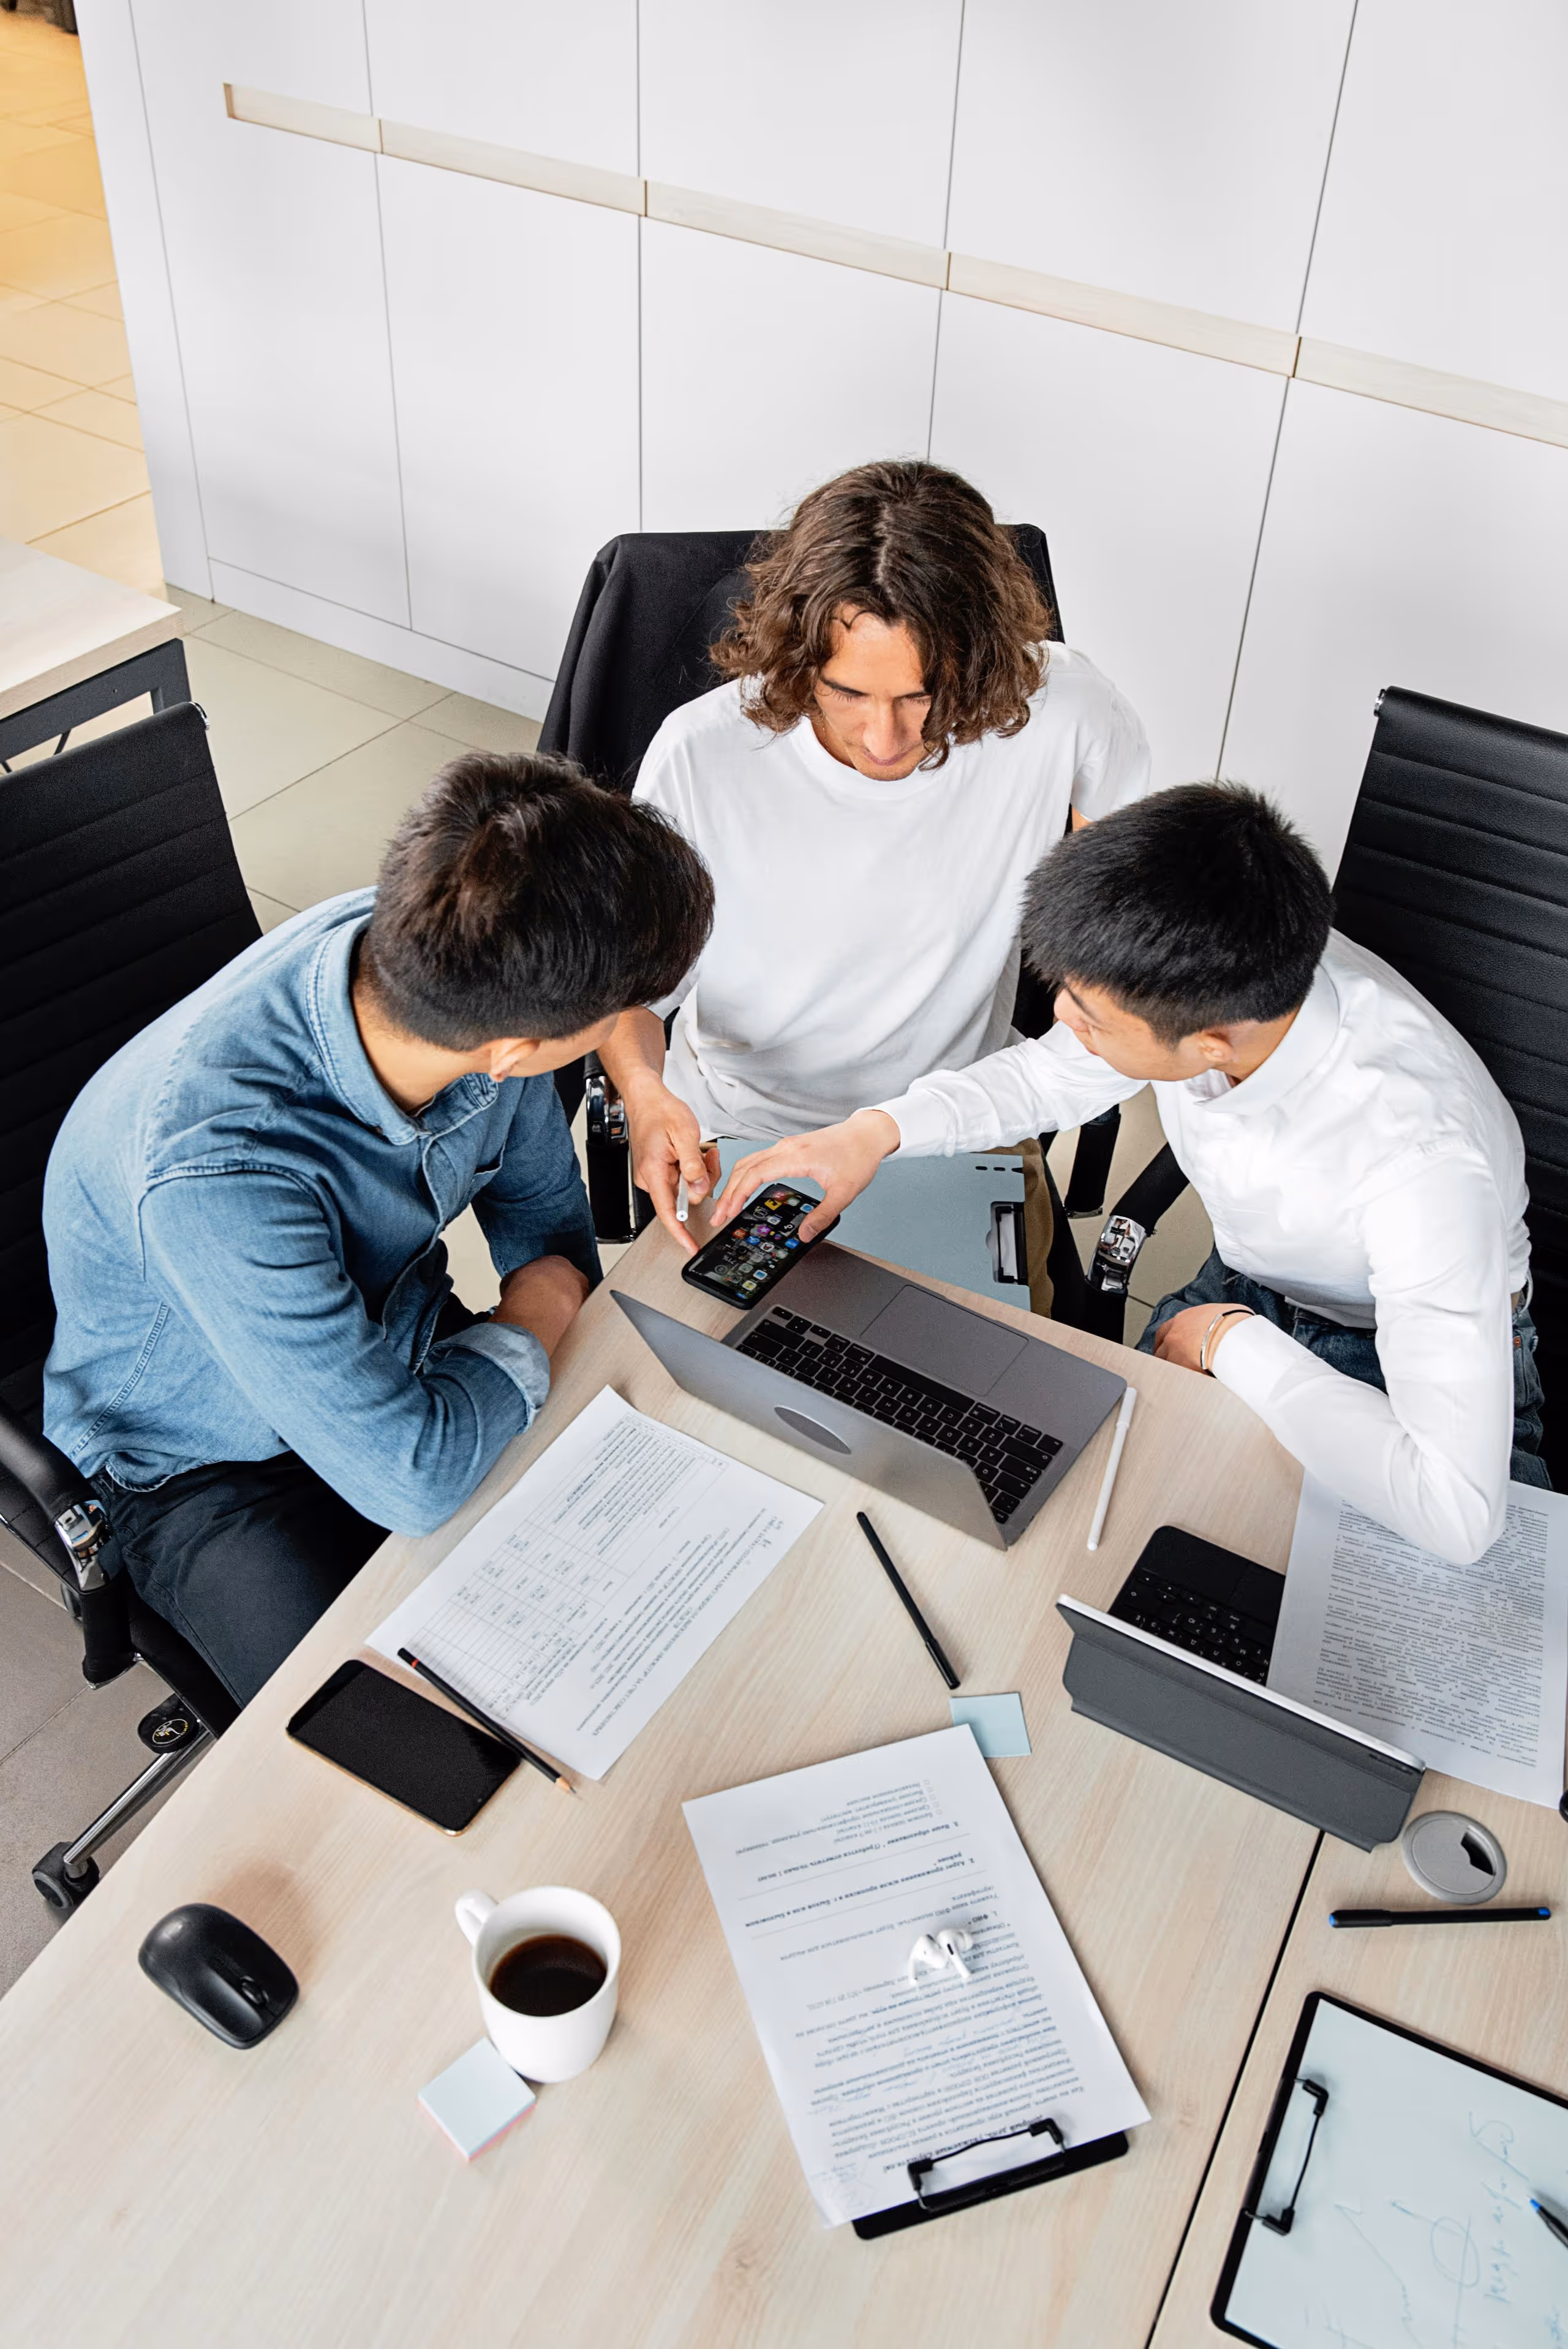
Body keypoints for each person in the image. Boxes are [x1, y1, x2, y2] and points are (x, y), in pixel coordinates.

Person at [712, 784, 1547, 1565]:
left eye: (1089, 1016)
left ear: (1212, 1042)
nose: (1063, 1024)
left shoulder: (1420, 1165)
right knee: (1081, 1526)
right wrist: (874, 1132)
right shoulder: (1222, 963)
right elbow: (1047, 1077)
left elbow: (1458, 1512)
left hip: (1386, 1348)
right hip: (1251, 1280)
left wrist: (1230, 1340)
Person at [43, 751, 714, 1705]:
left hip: (406, 1350)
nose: (623, 1029)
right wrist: (538, 1306)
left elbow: (548, 1233)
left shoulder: (457, 975)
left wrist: (542, 1295)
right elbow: (415, 1475)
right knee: (413, 1735)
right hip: (203, 1467)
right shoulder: (217, 1174)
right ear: (519, 1048)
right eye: (613, 1018)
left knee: (645, 1591)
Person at [594, 458, 1150, 1247]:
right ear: (794, 655)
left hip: (952, 1123)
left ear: (983, 659)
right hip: (738, 1132)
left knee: (969, 1368)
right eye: (849, 693)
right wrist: (646, 1095)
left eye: (923, 695)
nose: (886, 740)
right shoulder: (700, 754)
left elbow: (1128, 952)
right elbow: (627, 991)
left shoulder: (1065, 707)